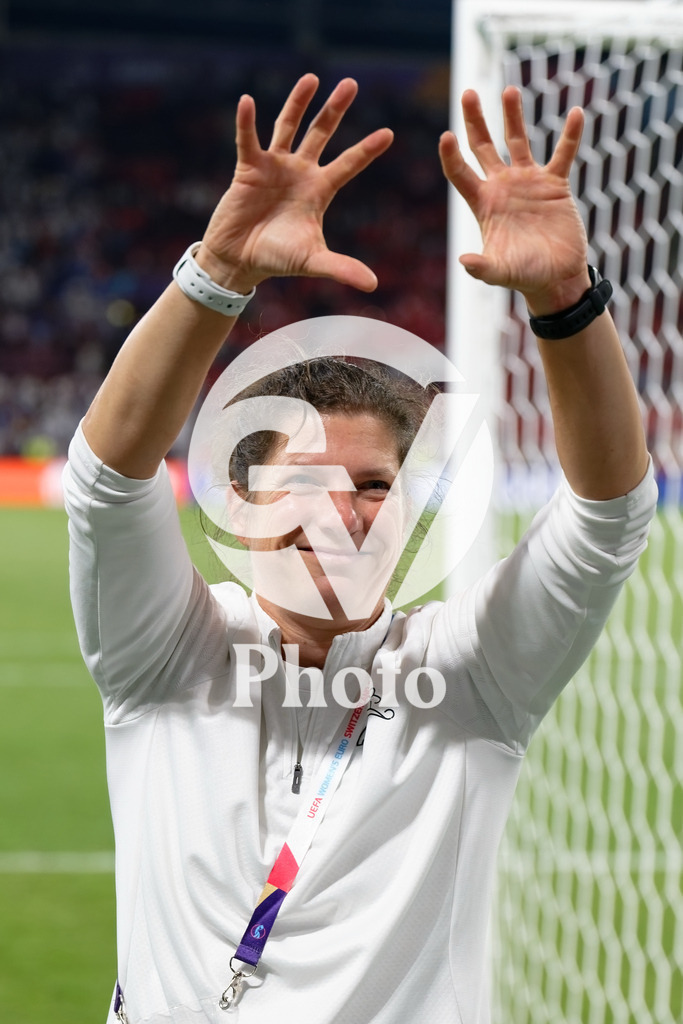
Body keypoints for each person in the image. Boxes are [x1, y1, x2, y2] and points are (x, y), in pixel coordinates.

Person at [63, 74, 656, 1024]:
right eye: (300, 482)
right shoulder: (165, 653)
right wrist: (219, 270)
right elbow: (106, 475)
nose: (337, 511)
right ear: (239, 504)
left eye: (373, 484)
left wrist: (565, 302)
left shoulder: (468, 674)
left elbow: (606, 516)